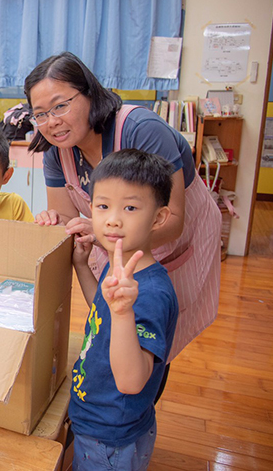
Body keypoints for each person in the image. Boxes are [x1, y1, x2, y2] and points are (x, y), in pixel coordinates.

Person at [25, 52, 219, 363]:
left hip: (175, 243)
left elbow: (174, 221)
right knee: (120, 334)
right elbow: (68, 221)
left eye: (61, 106)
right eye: (41, 114)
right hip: (115, 248)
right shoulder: (56, 154)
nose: (52, 122)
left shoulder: (140, 130)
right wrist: (57, 223)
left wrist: (100, 235)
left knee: (154, 341)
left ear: (89, 93)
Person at [69, 149, 178, 471]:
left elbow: (132, 381)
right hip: (98, 415)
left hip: (111, 432)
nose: (113, 219)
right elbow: (101, 311)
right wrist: (81, 266)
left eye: (130, 207)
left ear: (158, 218)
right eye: (103, 206)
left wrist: (122, 312)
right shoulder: (119, 266)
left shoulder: (149, 292)